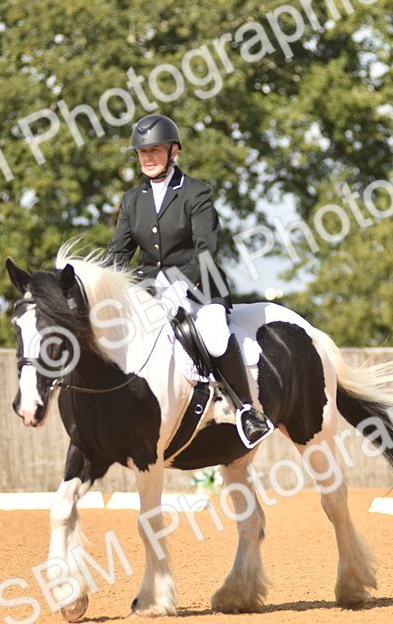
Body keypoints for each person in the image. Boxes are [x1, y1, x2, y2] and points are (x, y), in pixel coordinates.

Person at [107, 114, 273, 448]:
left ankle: (246, 410)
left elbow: (207, 248)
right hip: (148, 289)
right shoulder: (132, 200)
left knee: (214, 336)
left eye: (155, 150)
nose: (148, 158)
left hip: (200, 285)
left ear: (174, 151)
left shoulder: (196, 192)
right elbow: (118, 254)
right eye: (143, 152)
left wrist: (180, 283)